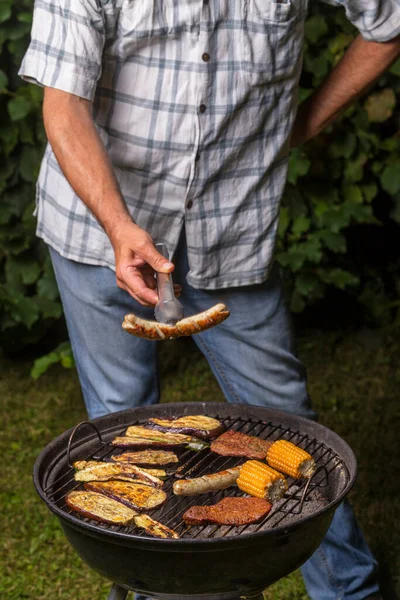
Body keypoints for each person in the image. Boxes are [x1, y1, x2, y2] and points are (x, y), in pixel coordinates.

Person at [19, 1, 399, 598]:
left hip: (233, 231)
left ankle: (350, 592)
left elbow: (390, 22)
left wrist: (303, 123)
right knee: (124, 439)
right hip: (98, 233)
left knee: (293, 435)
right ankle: (153, 583)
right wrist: (120, 228)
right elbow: (63, 108)